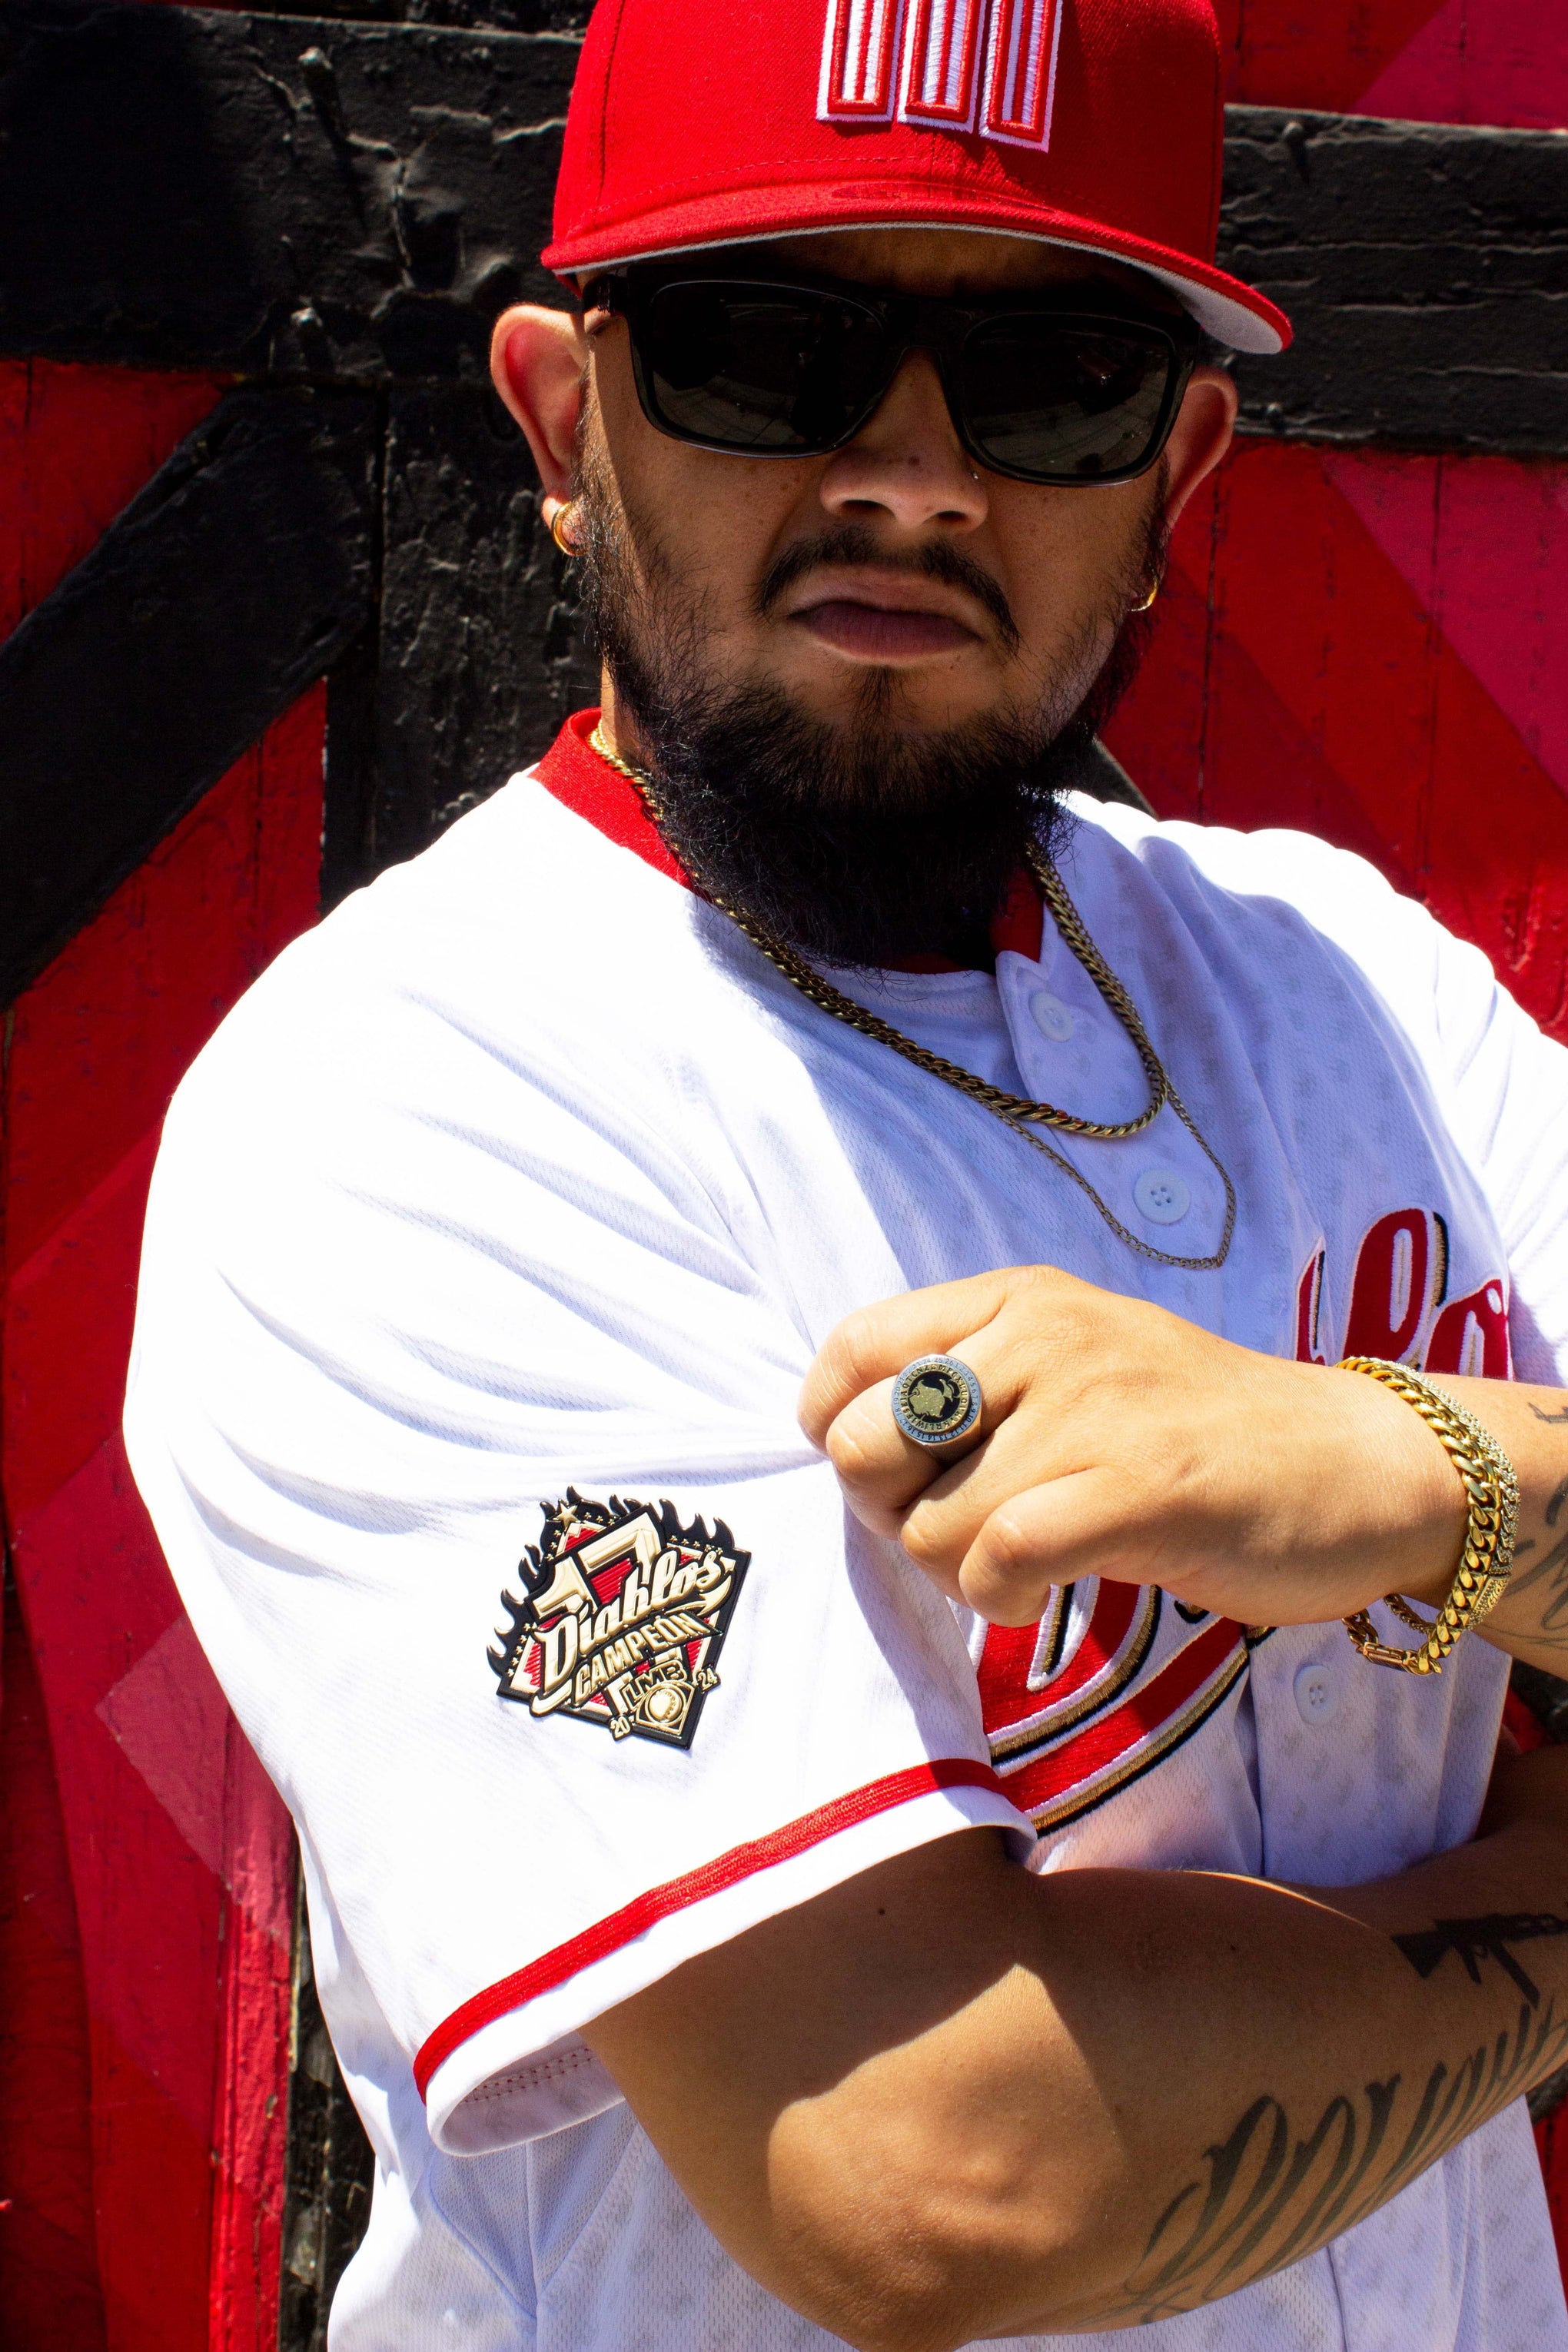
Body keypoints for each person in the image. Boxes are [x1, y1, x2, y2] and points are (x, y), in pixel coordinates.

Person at [125, 0, 1568, 2345]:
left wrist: (1418, 1471)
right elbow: (941, 2168)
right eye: (767, 350)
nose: (912, 475)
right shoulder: (414, 1102)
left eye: (1050, 382)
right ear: (564, 424)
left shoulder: (1355, 990)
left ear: (1179, 471)